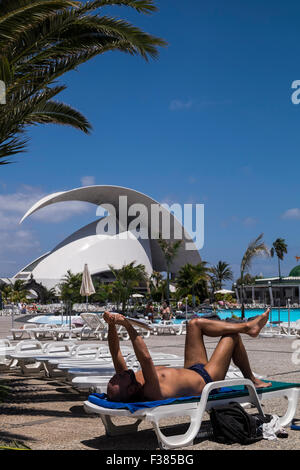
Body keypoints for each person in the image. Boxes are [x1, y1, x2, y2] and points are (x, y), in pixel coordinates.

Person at [103, 308, 272, 403]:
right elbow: (145, 357)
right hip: (207, 380)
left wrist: (111, 324)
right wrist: (126, 325)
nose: (117, 376)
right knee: (231, 337)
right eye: (117, 380)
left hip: (192, 369)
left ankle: (248, 327)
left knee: (194, 324)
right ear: (131, 389)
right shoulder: (149, 390)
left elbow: (115, 351)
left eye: (113, 378)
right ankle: (252, 379)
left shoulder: (129, 379)